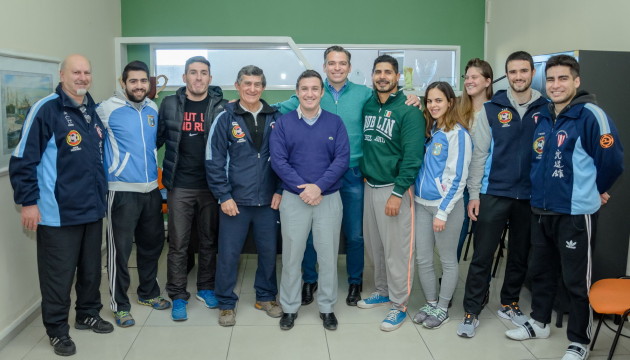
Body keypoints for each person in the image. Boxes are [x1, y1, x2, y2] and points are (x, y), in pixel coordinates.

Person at [276, 46, 421, 307]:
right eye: (332, 63)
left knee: (355, 234)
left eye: (342, 63)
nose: (337, 68)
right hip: (318, 178)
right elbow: (278, 107)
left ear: (350, 67)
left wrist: (412, 98)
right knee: (310, 234)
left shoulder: (365, 94)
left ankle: (355, 282)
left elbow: (388, 101)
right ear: (324, 67)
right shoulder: (313, 92)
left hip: (354, 174)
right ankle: (310, 280)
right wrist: (247, 104)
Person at [505, 55, 623, 360]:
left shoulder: (590, 115)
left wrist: (596, 190)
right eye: (552, 79)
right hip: (541, 209)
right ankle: (539, 322)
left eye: (563, 79)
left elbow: (612, 161)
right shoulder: (543, 115)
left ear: (577, 81)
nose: (556, 85)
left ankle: (579, 341)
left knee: (575, 279)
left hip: (574, 213)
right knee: (541, 271)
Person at [9, 54, 113, 356]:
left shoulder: (92, 110)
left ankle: (87, 313)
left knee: (91, 270)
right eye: (76, 72)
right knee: (58, 276)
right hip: (57, 213)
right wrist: (28, 202)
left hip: (92, 209)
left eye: (87, 72)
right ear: (62, 74)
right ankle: (56, 330)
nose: (82, 77)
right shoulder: (46, 109)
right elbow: (23, 160)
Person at [457, 51, 549, 338]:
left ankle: (509, 303)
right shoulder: (492, 108)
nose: (518, 76)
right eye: (512, 72)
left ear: (532, 73)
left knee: (520, 255)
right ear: (506, 75)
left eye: (523, 71)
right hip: (494, 192)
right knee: (483, 255)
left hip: (530, 197)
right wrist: (474, 194)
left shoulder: (546, 107)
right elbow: (480, 155)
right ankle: (472, 309)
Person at [270, 70, 349, 331]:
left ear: (322, 92)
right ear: (297, 92)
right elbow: (279, 161)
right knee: (292, 256)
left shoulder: (335, 123)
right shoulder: (284, 123)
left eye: (315, 88)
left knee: (328, 257)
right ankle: (290, 307)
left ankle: (326, 308)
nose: (310, 93)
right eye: (304, 88)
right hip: (294, 199)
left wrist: (319, 187)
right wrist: (304, 189)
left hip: (328, 198)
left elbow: (341, 160)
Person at [206, 65, 283, 327]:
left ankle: (266, 296)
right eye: (247, 83)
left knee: (269, 252)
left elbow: (286, 158)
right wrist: (223, 195)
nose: (252, 89)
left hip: (268, 200)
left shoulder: (277, 116)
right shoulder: (225, 117)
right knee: (228, 254)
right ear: (237, 86)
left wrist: (281, 190)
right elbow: (213, 159)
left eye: (257, 84)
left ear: (263, 87)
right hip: (234, 201)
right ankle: (226, 303)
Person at [97, 60, 171, 329]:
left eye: (143, 81)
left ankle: (149, 293)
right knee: (120, 251)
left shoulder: (152, 107)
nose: (139, 86)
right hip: (121, 191)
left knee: (152, 245)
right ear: (123, 82)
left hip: (152, 189)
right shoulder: (106, 109)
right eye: (133, 81)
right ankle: (119, 305)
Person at [357, 55, 424, 332]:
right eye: (378, 72)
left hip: (394, 189)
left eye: (388, 72)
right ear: (372, 76)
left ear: (397, 77)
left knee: (397, 250)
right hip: (369, 185)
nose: (382, 76)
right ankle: (383, 290)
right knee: (376, 247)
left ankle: (399, 304)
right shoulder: (369, 104)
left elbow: (412, 157)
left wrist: (398, 192)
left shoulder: (409, 111)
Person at [157, 56, 227, 321]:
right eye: (193, 72)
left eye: (204, 73)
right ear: (184, 77)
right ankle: (177, 295)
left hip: (210, 186)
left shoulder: (220, 107)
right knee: (178, 244)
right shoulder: (169, 104)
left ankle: (206, 288)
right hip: (180, 186)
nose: (198, 77)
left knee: (209, 241)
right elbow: (156, 139)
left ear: (210, 78)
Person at [412, 82, 472, 329]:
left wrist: (443, 212)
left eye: (438, 100)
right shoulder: (430, 130)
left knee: (447, 260)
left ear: (450, 102)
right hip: (421, 204)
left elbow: (458, 178)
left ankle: (443, 306)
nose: (433, 105)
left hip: (445, 207)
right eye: (429, 101)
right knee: (424, 258)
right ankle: (430, 301)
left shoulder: (458, 134)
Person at [456, 58, 493, 262]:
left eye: (474, 77)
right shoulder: (458, 111)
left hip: (486, 187)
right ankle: (448, 285)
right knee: (455, 239)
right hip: (459, 185)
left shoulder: (497, 111)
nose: (469, 81)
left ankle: (480, 290)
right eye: (467, 77)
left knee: (483, 243)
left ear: (487, 81)